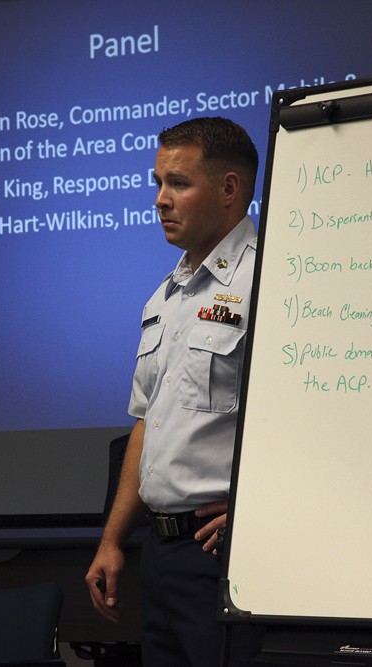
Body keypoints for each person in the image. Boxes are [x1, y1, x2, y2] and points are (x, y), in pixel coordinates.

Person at [85, 116, 264, 666]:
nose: (160, 199)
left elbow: (318, 413)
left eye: (178, 183)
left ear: (229, 188)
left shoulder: (271, 279)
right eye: (158, 183)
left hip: (227, 553)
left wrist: (261, 508)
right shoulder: (166, 295)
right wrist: (113, 540)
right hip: (160, 555)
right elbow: (148, 422)